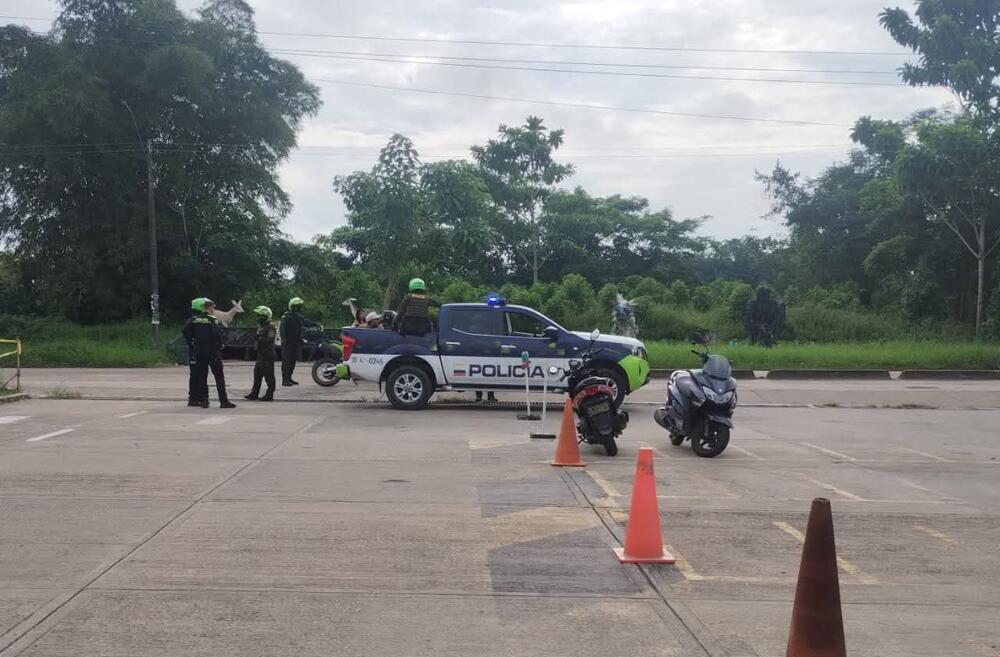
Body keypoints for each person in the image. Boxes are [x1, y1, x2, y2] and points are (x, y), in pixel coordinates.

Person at [181, 297, 236, 409]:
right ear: (209, 308)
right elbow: (217, 335)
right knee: (219, 376)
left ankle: (204, 401)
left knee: (202, 376)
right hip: (212, 351)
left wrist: (192, 341)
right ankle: (223, 401)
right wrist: (221, 345)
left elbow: (184, 330)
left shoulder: (194, 319)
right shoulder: (212, 320)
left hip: (199, 352)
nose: (214, 310)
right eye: (213, 308)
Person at [279, 297, 319, 386]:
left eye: (299, 307)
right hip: (288, 342)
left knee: (292, 361)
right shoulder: (286, 317)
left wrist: (315, 324)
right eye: (297, 307)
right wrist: (283, 339)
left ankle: (289, 378)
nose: (299, 309)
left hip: (296, 341)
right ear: (292, 307)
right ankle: (285, 380)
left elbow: (306, 322)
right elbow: (282, 329)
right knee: (287, 361)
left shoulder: (298, 317)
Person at [245, 306, 277, 401]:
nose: (258, 318)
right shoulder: (261, 328)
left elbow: (270, 339)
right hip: (260, 355)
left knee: (269, 376)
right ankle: (254, 393)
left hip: (268, 355)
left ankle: (269, 394)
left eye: (260, 316)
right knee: (257, 376)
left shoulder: (271, 328)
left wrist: (259, 337)